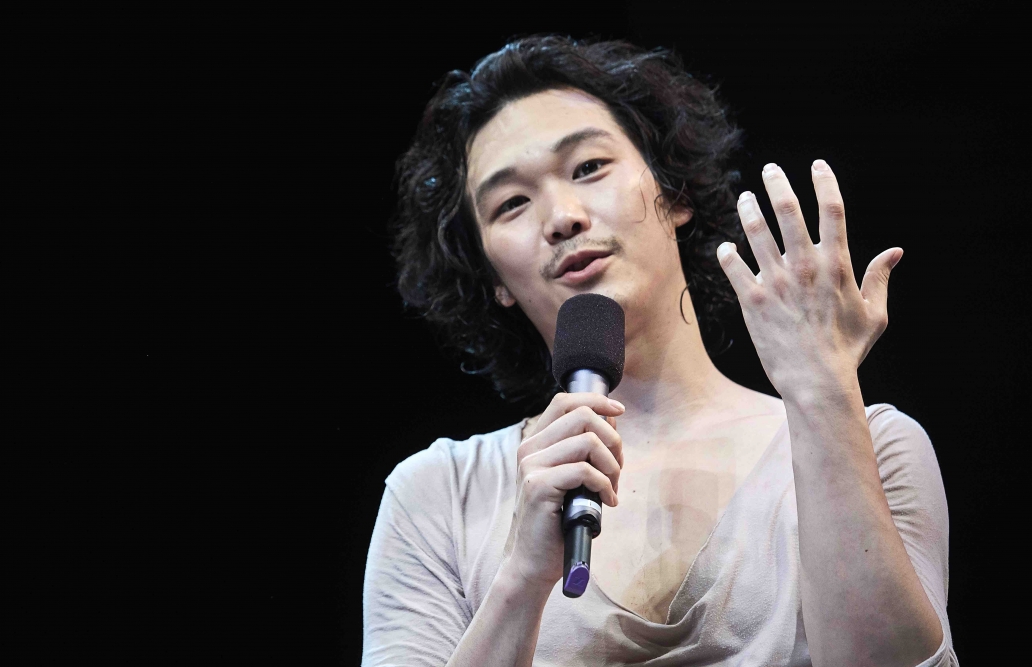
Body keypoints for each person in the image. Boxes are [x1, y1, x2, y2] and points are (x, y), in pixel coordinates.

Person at [364, 35, 955, 667]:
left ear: (674, 194)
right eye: (511, 203)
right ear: (494, 279)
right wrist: (521, 579)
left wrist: (822, 395)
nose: (562, 217)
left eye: (589, 167)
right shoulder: (438, 496)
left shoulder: (875, 444)